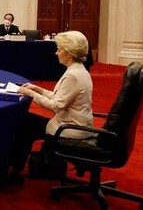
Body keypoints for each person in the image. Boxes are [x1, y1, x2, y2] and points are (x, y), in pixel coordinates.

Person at [7, 30, 94, 183]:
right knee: (27, 122)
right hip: (78, 123)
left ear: (69, 53)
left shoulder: (72, 75)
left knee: (25, 124)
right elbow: (61, 97)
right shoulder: (80, 70)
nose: (56, 53)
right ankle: (15, 170)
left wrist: (31, 94)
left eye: (59, 49)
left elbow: (56, 106)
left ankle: (14, 172)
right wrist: (38, 90)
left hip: (70, 127)